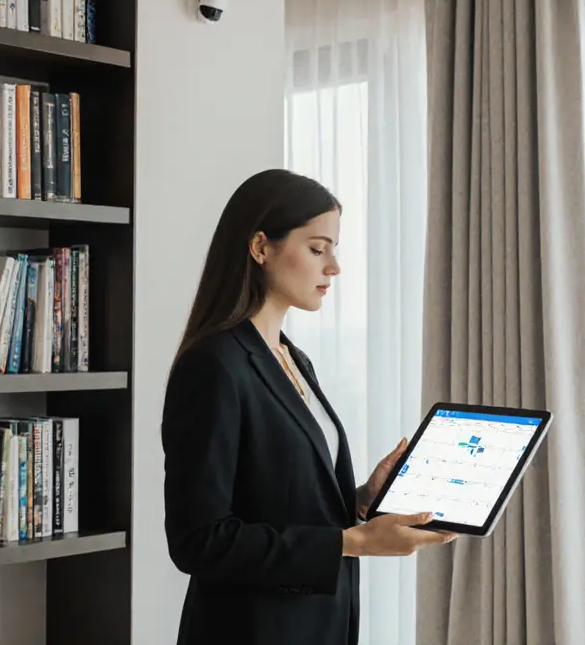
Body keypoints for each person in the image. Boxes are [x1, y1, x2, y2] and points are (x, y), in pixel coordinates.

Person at [162, 169, 456, 645]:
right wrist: (353, 542)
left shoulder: (292, 357)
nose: (334, 266)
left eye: (334, 250)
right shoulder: (214, 366)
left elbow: (281, 500)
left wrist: (361, 500)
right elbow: (200, 541)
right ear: (261, 248)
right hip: (250, 631)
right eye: (318, 249)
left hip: (319, 625)